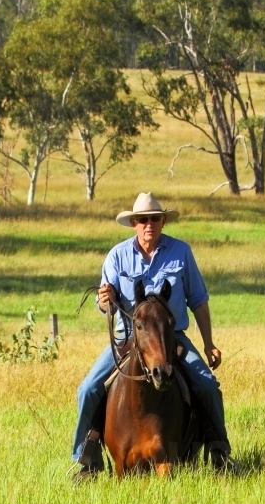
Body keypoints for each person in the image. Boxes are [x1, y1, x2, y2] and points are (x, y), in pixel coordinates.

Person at [72, 192, 232, 480]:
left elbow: (198, 300)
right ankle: (87, 458)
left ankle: (219, 451)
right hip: (128, 340)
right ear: (134, 223)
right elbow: (105, 304)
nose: (149, 224)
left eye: (155, 219)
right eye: (143, 220)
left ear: (163, 221)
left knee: (207, 385)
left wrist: (209, 343)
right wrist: (105, 299)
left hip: (172, 338)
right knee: (88, 389)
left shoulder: (181, 252)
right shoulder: (117, 256)